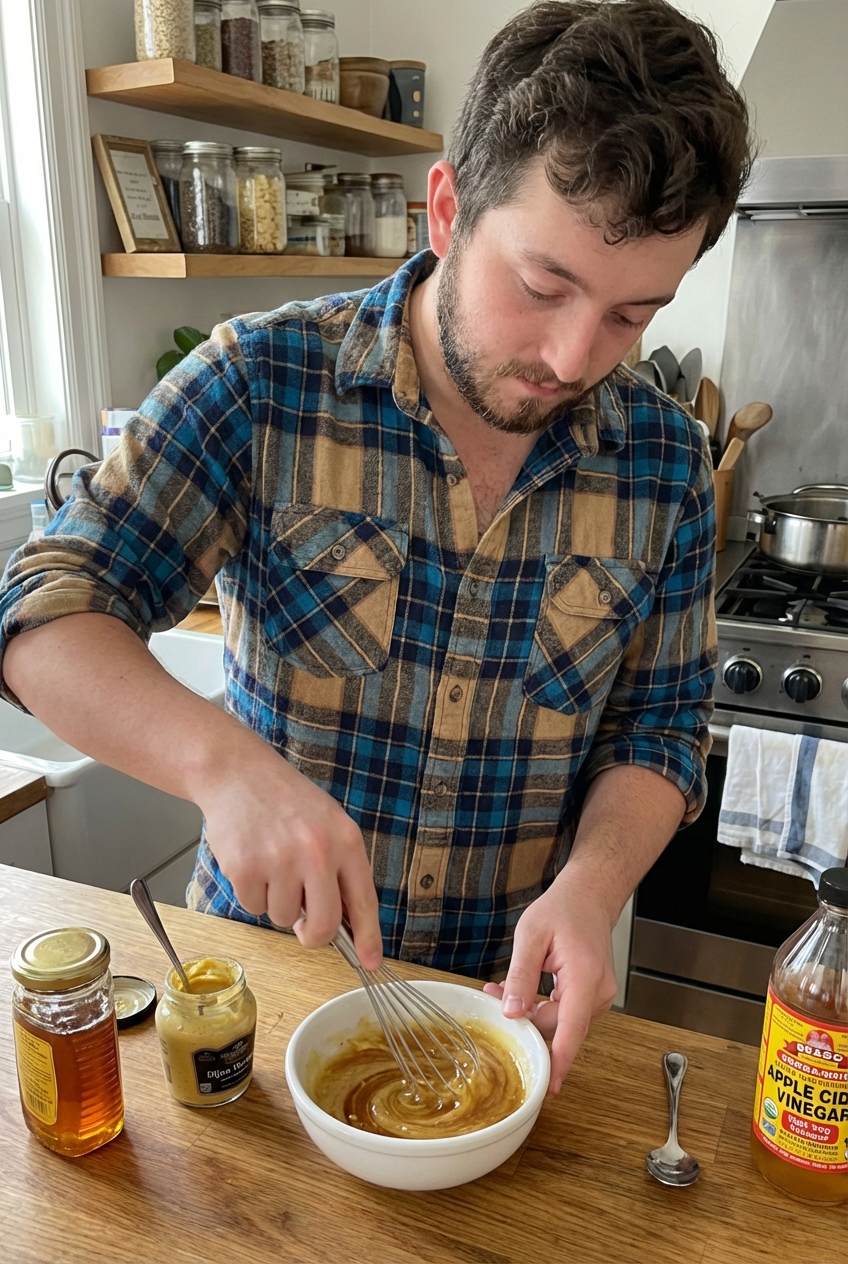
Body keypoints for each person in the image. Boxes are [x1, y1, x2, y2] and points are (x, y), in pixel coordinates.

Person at [0, 0, 752, 1094]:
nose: (571, 354)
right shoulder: (262, 384)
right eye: (542, 285)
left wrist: (591, 889)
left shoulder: (666, 465)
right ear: (444, 209)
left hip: (510, 1012)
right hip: (263, 996)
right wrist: (227, 769)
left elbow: (659, 727)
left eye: (631, 314)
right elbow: (40, 610)